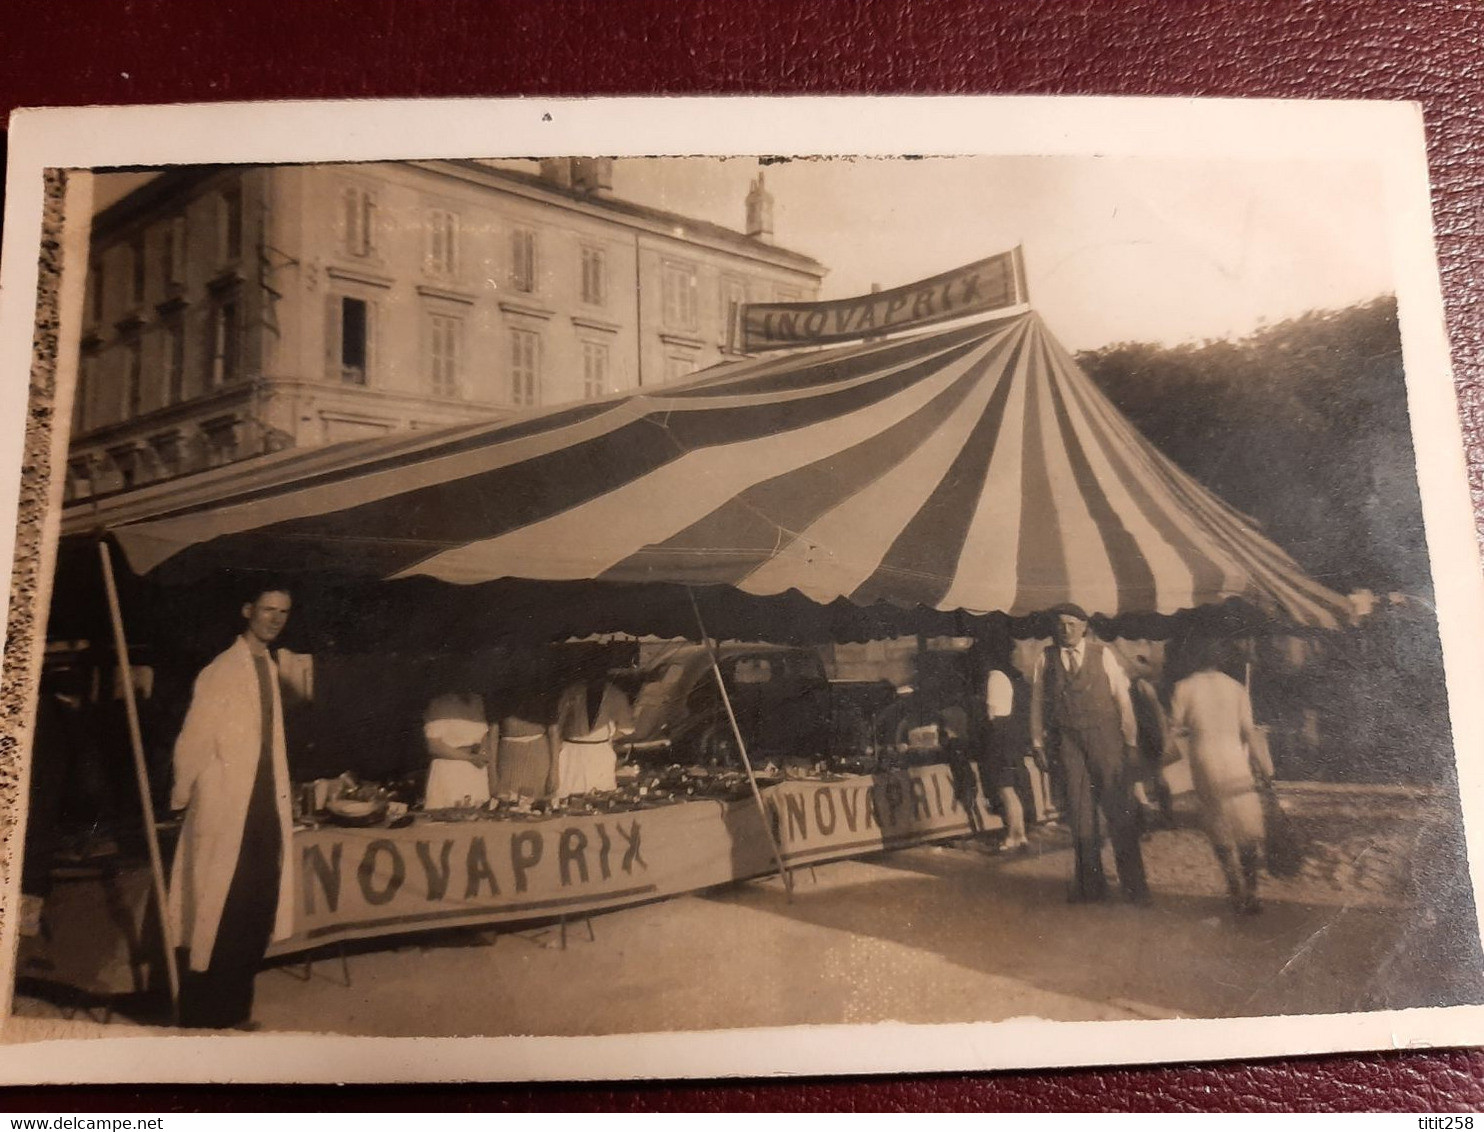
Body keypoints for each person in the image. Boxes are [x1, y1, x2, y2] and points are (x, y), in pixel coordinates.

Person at [167, 583, 296, 1030]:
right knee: (220, 908)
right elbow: (193, 742)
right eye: (267, 610)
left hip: (262, 811)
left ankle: (237, 1011)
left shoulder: (269, 665)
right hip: (225, 811)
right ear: (247, 611)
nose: (275, 619)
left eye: (283, 612)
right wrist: (181, 796)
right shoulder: (220, 671)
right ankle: (205, 1014)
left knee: (254, 910)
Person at [1029, 603, 1149, 905]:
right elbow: (1036, 702)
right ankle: (1090, 886)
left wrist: (1130, 743)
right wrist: (1037, 742)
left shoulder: (1102, 654)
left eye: (1071, 624)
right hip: (1069, 744)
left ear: (1084, 626)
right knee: (1080, 813)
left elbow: (1122, 698)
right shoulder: (1045, 658)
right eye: (1060, 624)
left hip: (1106, 739)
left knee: (1118, 809)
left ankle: (1135, 887)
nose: (1065, 629)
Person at [1167, 642, 1273, 915]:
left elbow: (1175, 727)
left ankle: (1235, 887)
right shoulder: (1236, 688)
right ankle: (1252, 890)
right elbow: (1248, 732)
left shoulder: (1183, 687)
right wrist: (1263, 766)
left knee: (1218, 822)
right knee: (1245, 823)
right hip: (1235, 758)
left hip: (1206, 760)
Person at [979, 644, 1030, 851]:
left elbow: (990, 713)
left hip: (999, 737)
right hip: (1011, 736)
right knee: (1011, 790)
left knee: (1005, 790)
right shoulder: (1008, 677)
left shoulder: (993, 678)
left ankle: (1012, 835)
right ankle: (1021, 834)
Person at [553, 675, 634, 799]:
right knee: (569, 796)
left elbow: (626, 728)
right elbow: (558, 722)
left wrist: (606, 739)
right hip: (572, 752)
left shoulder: (616, 695)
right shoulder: (572, 692)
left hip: (600, 752)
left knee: (601, 796)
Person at [1128, 652, 1175, 830]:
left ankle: (1162, 816)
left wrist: (1163, 735)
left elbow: (1158, 714)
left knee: (1151, 777)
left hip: (1148, 735)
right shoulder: (1139, 685)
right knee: (1148, 777)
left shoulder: (1143, 686)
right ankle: (1157, 816)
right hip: (1143, 735)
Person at [422, 691, 493, 809]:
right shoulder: (439, 703)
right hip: (449, 771)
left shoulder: (477, 701)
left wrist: (482, 753)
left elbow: (484, 736)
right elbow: (434, 746)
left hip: (476, 772)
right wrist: (470, 758)